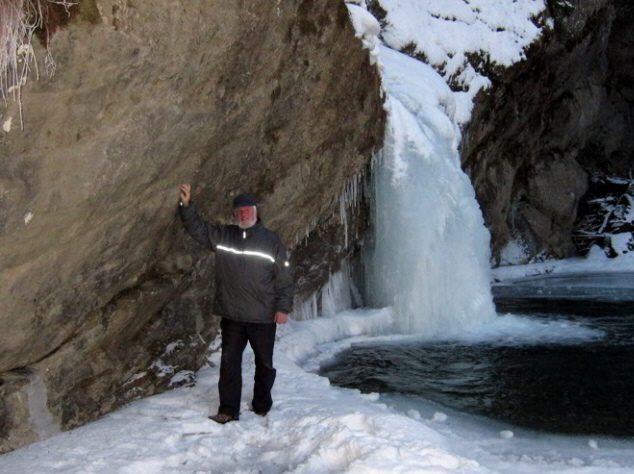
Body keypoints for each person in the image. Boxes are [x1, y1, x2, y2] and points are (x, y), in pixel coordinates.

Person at [178, 184, 294, 424]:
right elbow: (198, 230)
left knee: (265, 364)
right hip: (232, 316)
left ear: (255, 212)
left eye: (247, 211)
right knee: (229, 364)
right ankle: (228, 410)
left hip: (262, 316)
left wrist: (283, 308)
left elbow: (284, 276)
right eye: (239, 211)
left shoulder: (271, 240)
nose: (243, 215)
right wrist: (186, 206)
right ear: (234, 214)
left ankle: (262, 404)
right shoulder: (224, 236)